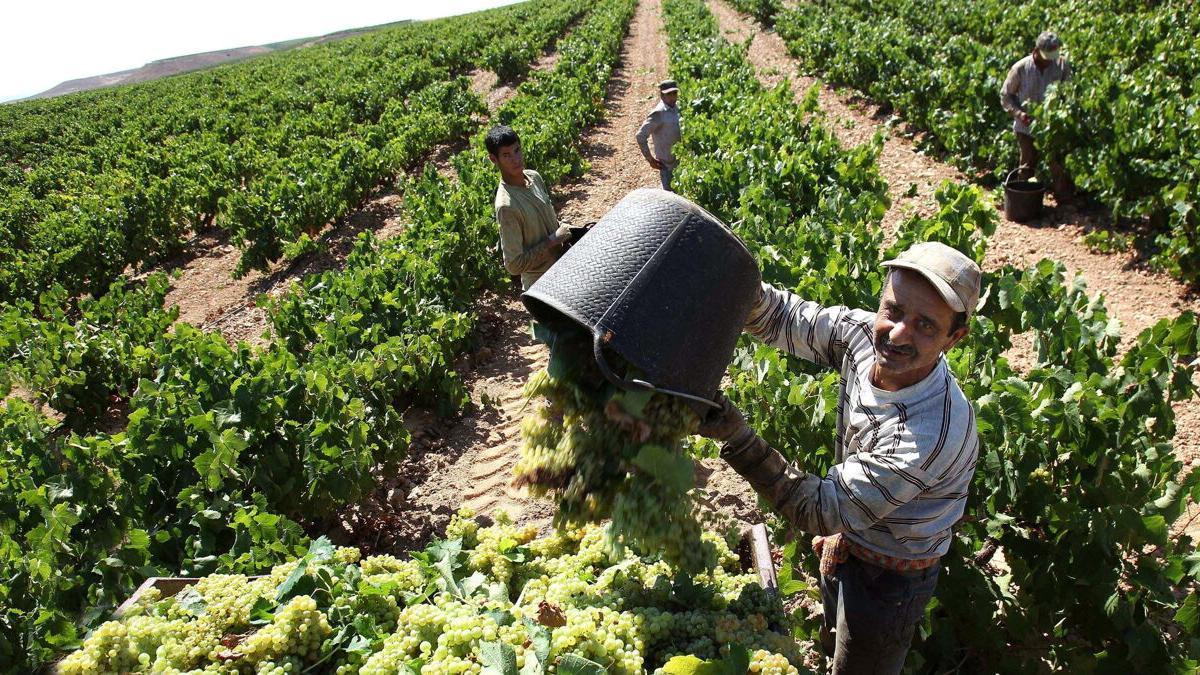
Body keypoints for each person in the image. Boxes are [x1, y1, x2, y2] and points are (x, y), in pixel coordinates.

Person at [697, 242, 982, 675]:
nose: (899, 333)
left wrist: (737, 437)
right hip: (850, 536)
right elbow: (782, 318)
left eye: (926, 325)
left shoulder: (928, 433)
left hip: (891, 580)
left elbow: (819, 508)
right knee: (836, 640)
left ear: (953, 338)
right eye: (895, 310)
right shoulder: (863, 335)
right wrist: (736, 285)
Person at [486, 125, 572, 291]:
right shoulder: (507, 206)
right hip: (543, 286)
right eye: (506, 155)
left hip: (565, 268)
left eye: (517, 150)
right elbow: (514, 265)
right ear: (494, 159)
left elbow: (545, 221)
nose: (516, 159)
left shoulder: (534, 177)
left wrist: (562, 228)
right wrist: (552, 241)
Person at [1001, 31, 1074, 203]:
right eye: (1047, 55)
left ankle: (1064, 205)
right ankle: (1022, 202)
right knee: (1027, 164)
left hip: (1052, 127)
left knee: (1057, 166)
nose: (1050, 59)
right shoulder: (1020, 68)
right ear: (1036, 50)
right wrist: (1019, 113)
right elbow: (1006, 95)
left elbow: (1070, 93)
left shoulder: (1061, 66)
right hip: (1025, 126)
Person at [635, 79, 682, 191]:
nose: (672, 97)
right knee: (671, 201)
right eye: (668, 94)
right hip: (667, 166)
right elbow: (640, 136)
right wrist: (650, 159)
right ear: (662, 95)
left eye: (674, 93)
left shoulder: (678, 108)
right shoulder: (658, 113)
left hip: (682, 163)